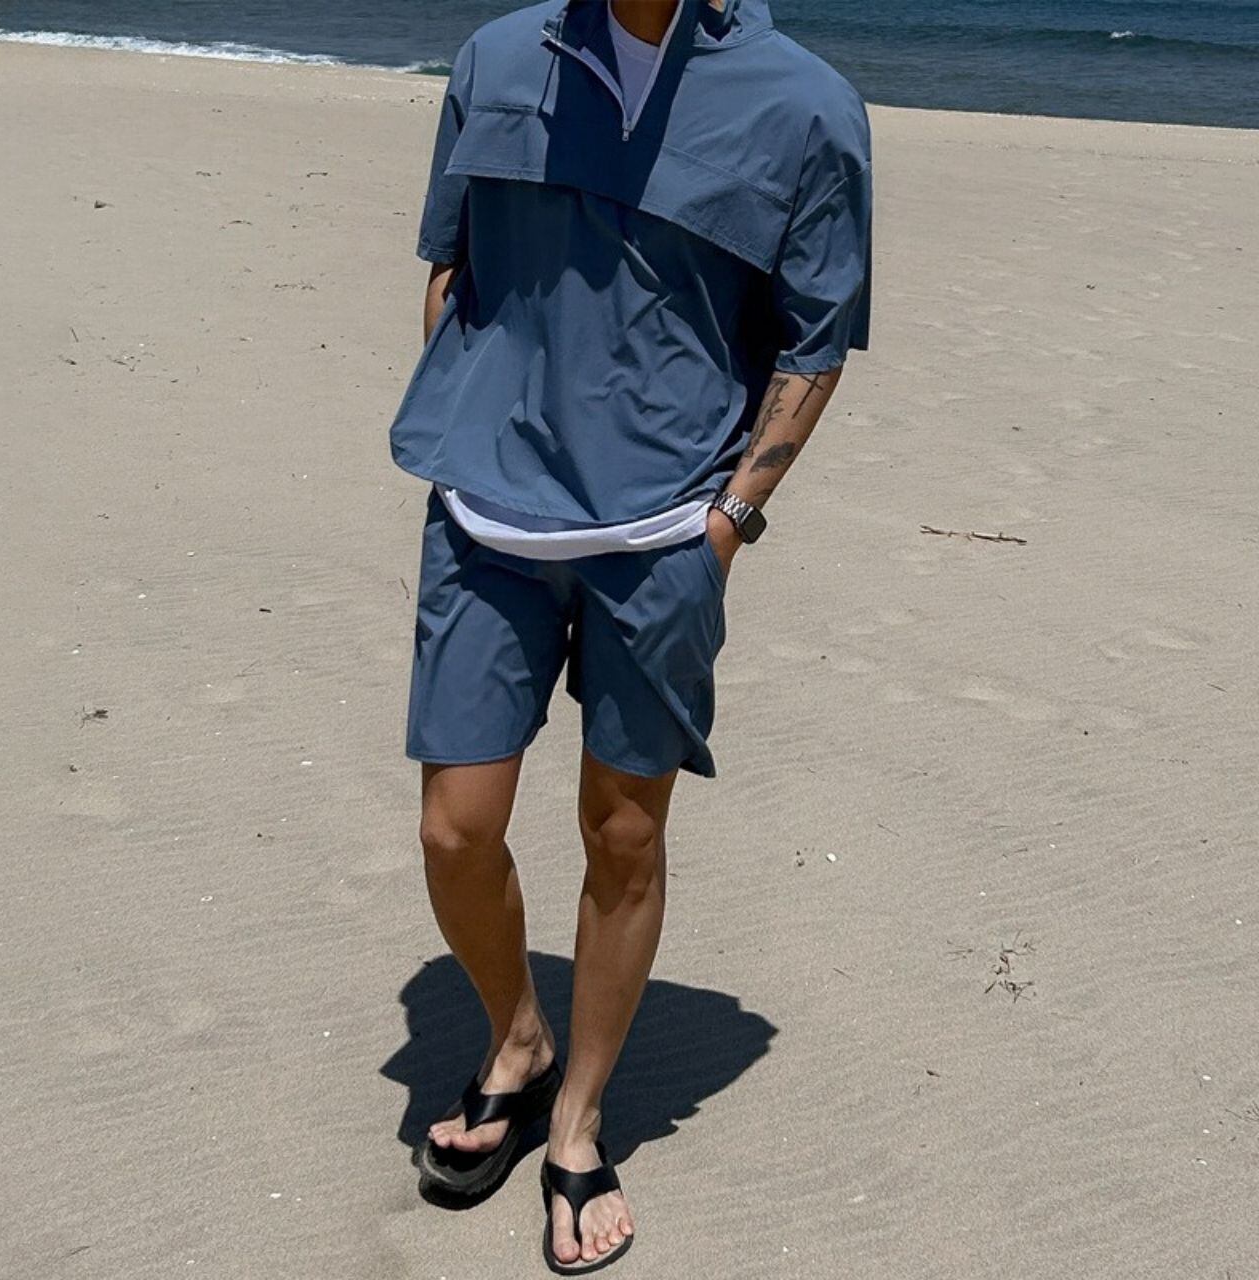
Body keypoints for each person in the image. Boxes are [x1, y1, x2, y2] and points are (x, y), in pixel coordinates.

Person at [388, 0, 871, 1271]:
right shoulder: (499, 57)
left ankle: (577, 1120)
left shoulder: (803, 105)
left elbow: (814, 339)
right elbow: (451, 265)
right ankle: (516, 1035)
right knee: (454, 827)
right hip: (486, 516)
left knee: (622, 830)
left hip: (662, 534)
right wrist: (471, 426)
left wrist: (727, 523)